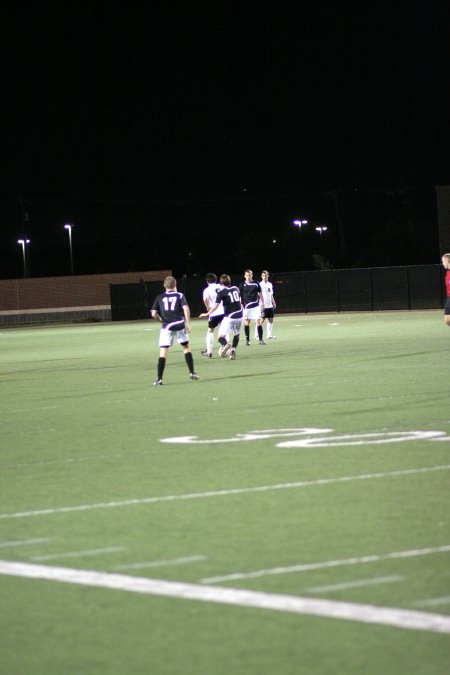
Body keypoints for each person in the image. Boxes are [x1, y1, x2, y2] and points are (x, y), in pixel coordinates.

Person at [151, 276, 199, 385]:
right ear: (175, 285)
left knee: (163, 352)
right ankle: (192, 372)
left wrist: (160, 320)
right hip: (179, 325)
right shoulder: (179, 295)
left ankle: (159, 379)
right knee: (186, 347)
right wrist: (188, 323)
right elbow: (186, 308)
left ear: (164, 285)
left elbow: (153, 313)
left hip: (166, 327)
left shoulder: (159, 297)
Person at [199, 274, 243, 360]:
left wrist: (207, 312)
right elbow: (239, 299)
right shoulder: (236, 288)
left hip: (223, 315)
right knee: (236, 334)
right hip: (236, 314)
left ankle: (211, 350)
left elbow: (210, 303)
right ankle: (233, 349)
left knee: (215, 333)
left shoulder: (214, 291)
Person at [200, 273, 224, 358]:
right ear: (216, 280)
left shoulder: (207, 290)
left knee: (210, 331)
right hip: (224, 312)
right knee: (223, 332)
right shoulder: (221, 287)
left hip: (214, 312)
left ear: (207, 281)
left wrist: (208, 308)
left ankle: (209, 351)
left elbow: (205, 299)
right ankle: (224, 346)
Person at [239, 269, 265, 345]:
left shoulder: (256, 283)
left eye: (250, 275)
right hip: (246, 306)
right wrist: (240, 303)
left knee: (258, 322)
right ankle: (248, 341)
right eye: (247, 275)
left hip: (256, 306)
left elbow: (260, 293)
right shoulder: (242, 285)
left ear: (252, 275)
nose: (248, 276)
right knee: (247, 322)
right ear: (244, 276)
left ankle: (260, 340)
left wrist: (263, 303)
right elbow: (239, 295)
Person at [259, 270, 277, 339]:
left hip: (270, 305)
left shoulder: (270, 284)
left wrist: (274, 302)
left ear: (268, 276)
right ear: (261, 276)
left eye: (266, 275)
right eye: (263, 276)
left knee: (271, 320)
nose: (265, 277)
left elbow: (271, 294)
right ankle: (257, 335)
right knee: (261, 320)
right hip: (264, 305)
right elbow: (259, 295)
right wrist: (261, 304)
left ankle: (269, 335)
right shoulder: (260, 284)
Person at [442, 253, 450, 326]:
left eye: (443, 261)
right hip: (449, 298)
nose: (442, 263)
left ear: (448, 261)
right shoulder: (447, 272)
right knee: (447, 320)